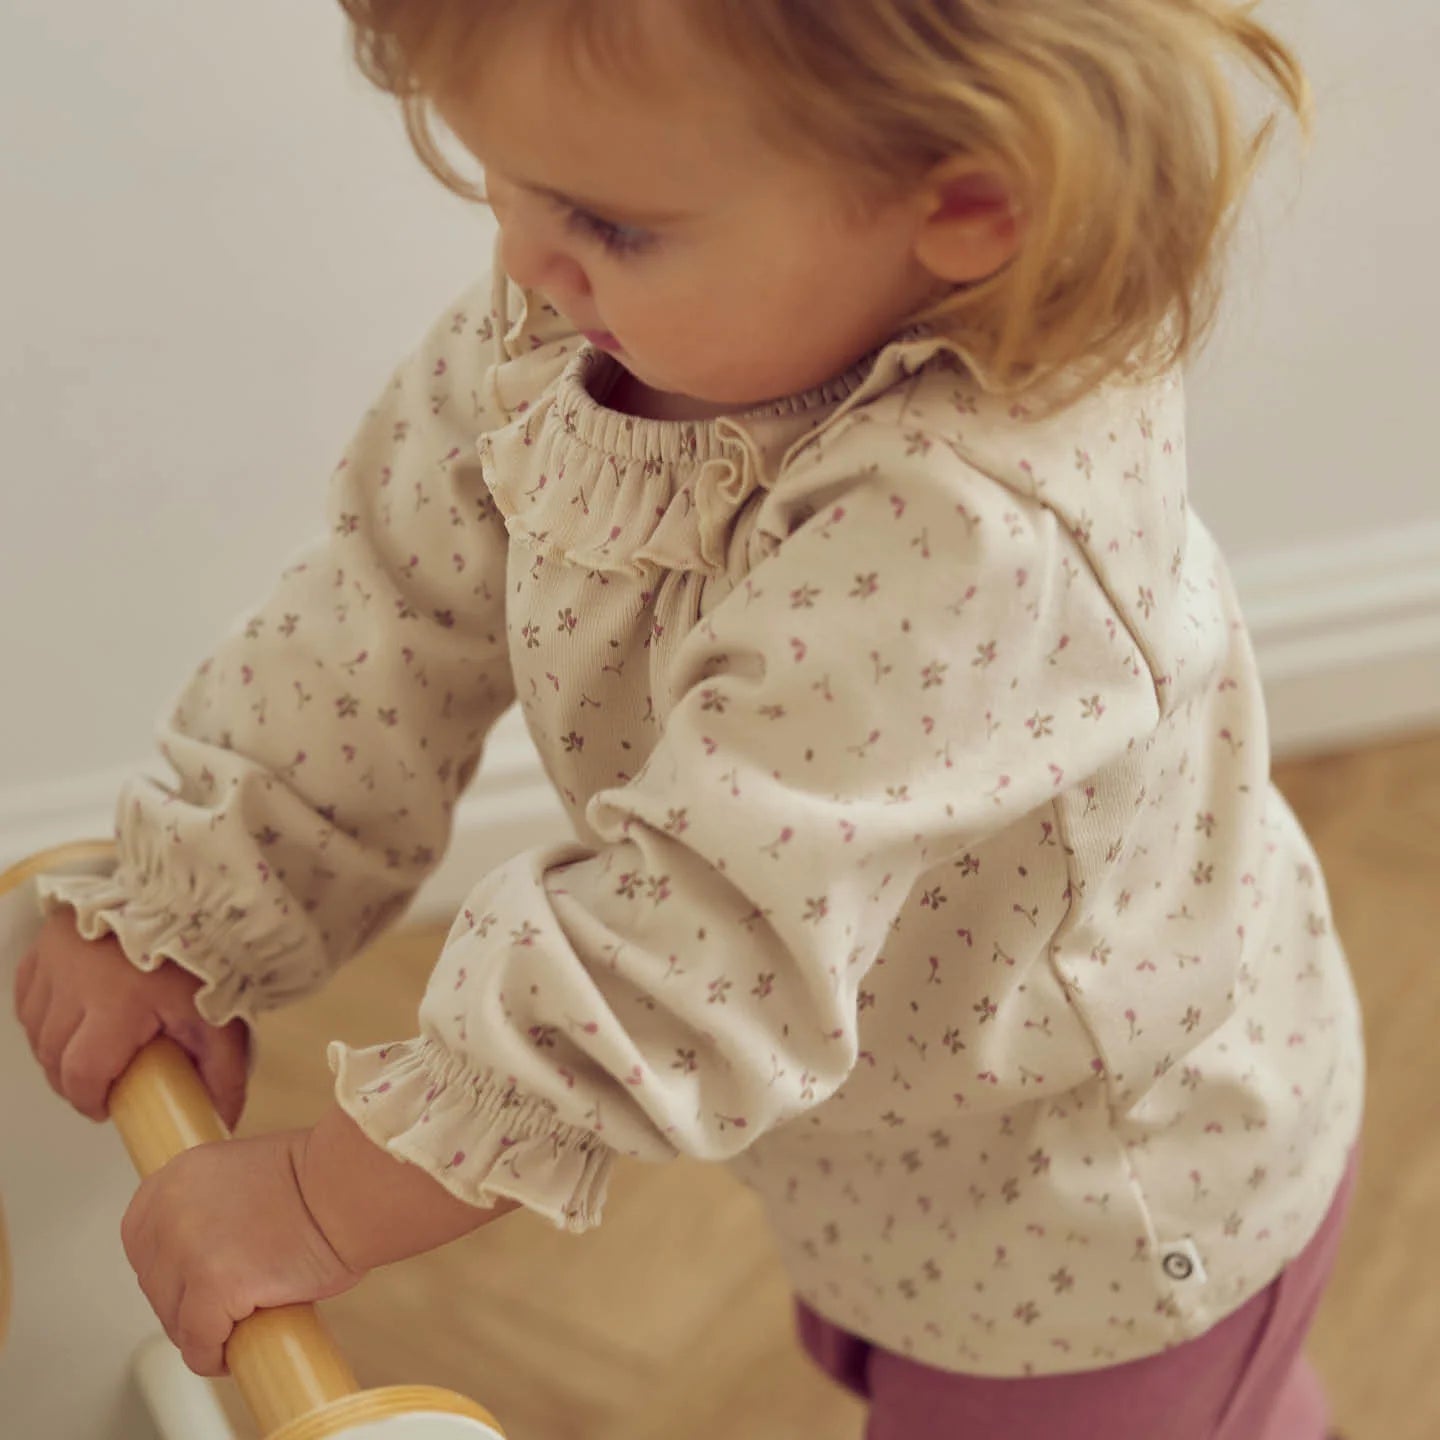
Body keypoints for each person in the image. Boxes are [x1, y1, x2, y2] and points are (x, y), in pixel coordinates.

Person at [13, 3, 1364, 1436]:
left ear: (967, 202)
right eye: (510, 182)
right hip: (881, 1151)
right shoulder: (581, 321)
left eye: (610, 222)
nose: (524, 260)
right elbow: (387, 608)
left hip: (1106, 1210)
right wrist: (199, 898)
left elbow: (695, 940)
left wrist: (321, 1200)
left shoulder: (977, 540)